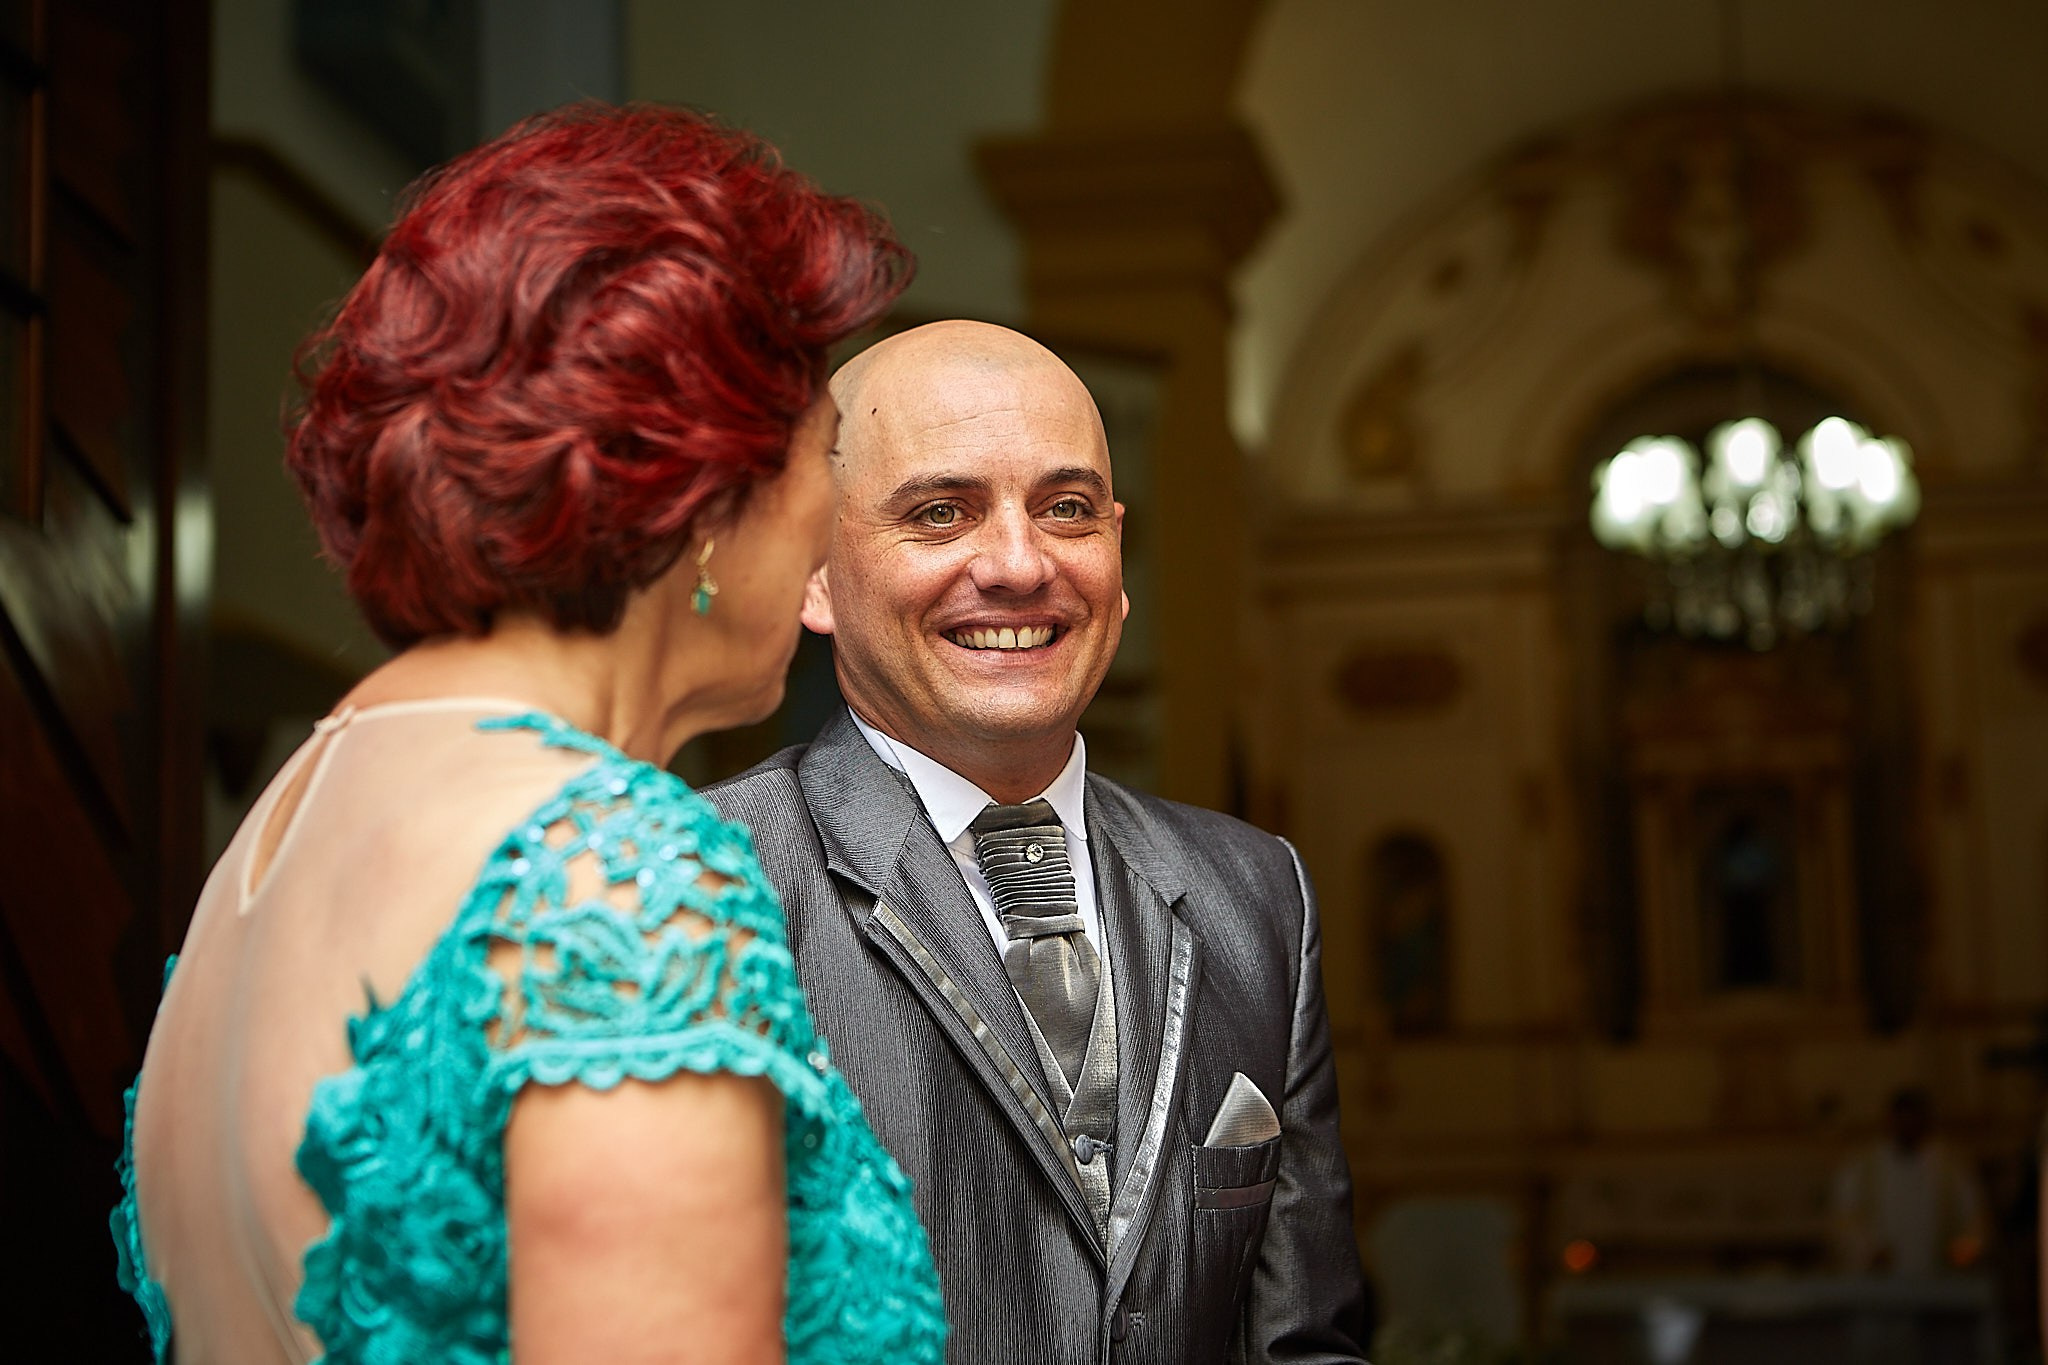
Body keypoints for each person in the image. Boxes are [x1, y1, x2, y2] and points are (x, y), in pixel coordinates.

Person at [109, 103, 945, 1364]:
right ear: (710, 485)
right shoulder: (612, 874)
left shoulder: (283, 827)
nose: (832, 529)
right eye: (823, 459)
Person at [706, 320, 1369, 1363]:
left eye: (1065, 510)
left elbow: (1300, 1344)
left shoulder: (1254, 894)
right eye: (939, 513)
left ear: (1116, 551)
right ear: (812, 573)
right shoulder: (702, 880)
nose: (1019, 565)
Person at [1832, 1087, 1986, 1276]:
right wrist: (1868, 1252)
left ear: (1926, 1121)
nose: (1908, 1126)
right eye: (1903, 1120)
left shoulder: (1950, 1170)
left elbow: (1974, 1221)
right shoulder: (1862, 1168)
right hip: (1878, 1282)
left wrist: (1962, 1251)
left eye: (1915, 1120)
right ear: (1890, 1120)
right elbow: (1844, 1219)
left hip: (1937, 1280)